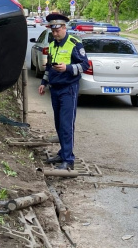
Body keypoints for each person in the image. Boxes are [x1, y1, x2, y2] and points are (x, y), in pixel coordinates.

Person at [38, 13, 90, 170]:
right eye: (52, 31)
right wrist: (44, 82)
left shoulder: (74, 43)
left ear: (64, 27)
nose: (55, 33)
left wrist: (67, 68)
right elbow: (49, 66)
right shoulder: (53, 44)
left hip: (69, 89)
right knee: (59, 124)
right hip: (55, 89)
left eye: (57, 30)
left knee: (67, 125)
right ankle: (62, 153)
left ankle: (68, 159)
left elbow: (85, 65)